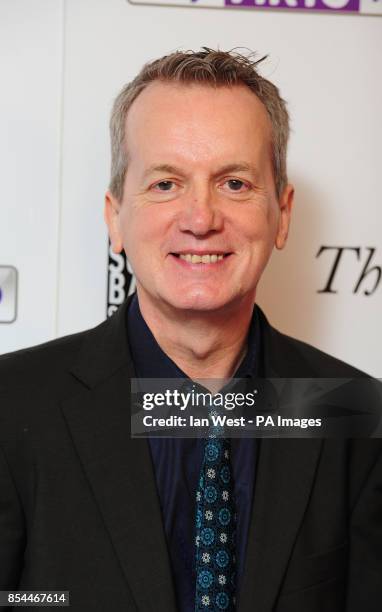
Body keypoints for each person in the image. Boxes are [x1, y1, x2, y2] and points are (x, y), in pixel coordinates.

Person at [0, 48, 381, 612]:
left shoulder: (353, 413)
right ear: (115, 217)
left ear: (282, 212)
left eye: (234, 183)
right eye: (165, 184)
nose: (200, 219)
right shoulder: (13, 405)